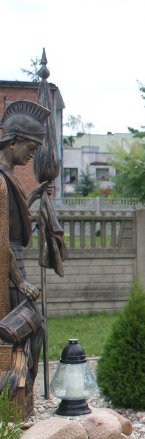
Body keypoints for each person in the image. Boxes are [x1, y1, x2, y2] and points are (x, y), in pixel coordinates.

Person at [0, 100, 53, 411]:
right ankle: (15, 405)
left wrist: (33, 197)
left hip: (13, 266)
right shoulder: (1, 183)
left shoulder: (10, 178)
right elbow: (2, 240)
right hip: (9, 273)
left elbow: (15, 226)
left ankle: (19, 403)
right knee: (20, 336)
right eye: (30, 147)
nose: (32, 154)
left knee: (26, 336)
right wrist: (19, 282)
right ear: (14, 140)